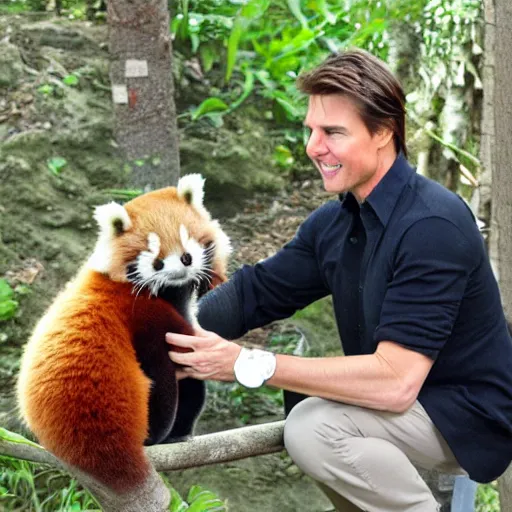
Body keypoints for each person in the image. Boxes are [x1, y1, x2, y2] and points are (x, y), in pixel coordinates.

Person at [166, 49, 512, 512]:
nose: (313, 146)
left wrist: (249, 363)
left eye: (332, 132)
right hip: (403, 406)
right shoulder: (336, 223)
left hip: (467, 415)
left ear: (384, 131)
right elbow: (254, 294)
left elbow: (394, 382)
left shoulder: (434, 224)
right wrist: (156, 334)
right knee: (306, 404)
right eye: (311, 130)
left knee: (313, 426)